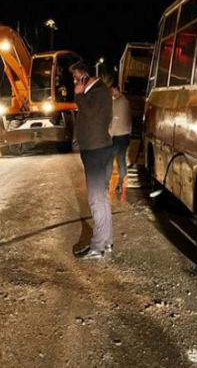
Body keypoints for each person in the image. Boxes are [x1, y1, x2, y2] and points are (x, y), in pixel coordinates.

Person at [70, 61, 113, 259]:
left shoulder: (97, 92)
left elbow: (90, 112)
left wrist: (79, 95)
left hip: (96, 152)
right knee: (101, 198)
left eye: (76, 78)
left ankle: (97, 246)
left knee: (96, 199)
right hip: (98, 149)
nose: (74, 82)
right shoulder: (98, 92)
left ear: (85, 77)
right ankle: (106, 241)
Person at [105, 84, 131, 194]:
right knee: (121, 160)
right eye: (111, 91)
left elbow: (115, 120)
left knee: (109, 160)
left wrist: (109, 135)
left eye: (114, 91)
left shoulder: (119, 102)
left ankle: (106, 184)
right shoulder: (126, 101)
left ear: (118, 90)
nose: (112, 93)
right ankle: (121, 184)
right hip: (125, 136)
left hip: (117, 136)